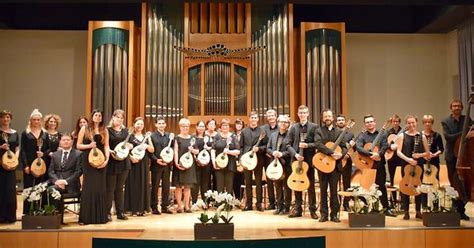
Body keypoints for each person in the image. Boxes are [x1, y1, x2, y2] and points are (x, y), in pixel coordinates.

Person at [355, 115, 396, 217]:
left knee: (381, 186)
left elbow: (384, 146)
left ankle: (386, 208)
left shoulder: (382, 134)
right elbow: (358, 147)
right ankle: (365, 207)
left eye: (371, 121)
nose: (369, 123)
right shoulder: (362, 135)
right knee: (365, 186)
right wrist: (370, 154)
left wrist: (379, 154)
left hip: (379, 164)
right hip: (366, 165)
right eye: (367, 122)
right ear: (365, 124)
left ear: (375, 122)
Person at [441, 99, 473, 220]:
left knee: (465, 185)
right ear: (451, 108)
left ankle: (461, 210)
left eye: (459, 106)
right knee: (455, 185)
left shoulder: (467, 119)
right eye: (454, 106)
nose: (457, 108)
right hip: (452, 157)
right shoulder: (446, 121)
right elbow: (448, 137)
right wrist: (464, 134)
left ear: (462, 108)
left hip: (465, 157)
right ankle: (455, 209)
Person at [285, 105, 319, 219]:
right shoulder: (293, 128)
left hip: (309, 161)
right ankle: (298, 209)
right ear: (298, 114)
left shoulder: (314, 127)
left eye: (305, 112)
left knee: (310, 186)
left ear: (308, 114)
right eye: (301, 113)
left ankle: (313, 210)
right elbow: (287, 144)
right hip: (296, 161)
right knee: (297, 184)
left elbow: (318, 143)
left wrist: (307, 145)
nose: (303, 114)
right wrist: (296, 154)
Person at [77, 109, 109, 224]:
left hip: (101, 160)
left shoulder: (104, 129)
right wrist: (89, 146)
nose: (98, 117)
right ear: (92, 116)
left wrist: (107, 159)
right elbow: (78, 145)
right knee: (89, 187)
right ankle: (86, 218)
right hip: (88, 160)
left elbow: (106, 146)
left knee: (100, 188)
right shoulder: (84, 129)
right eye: (96, 115)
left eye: (100, 115)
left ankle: (100, 217)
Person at [314, 109, 347, 222]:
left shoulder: (339, 132)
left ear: (333, 118)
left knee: (334, 191)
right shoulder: (318, 131)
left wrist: (341, 154)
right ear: (322, 119)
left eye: (329, 116)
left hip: (335, 165)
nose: (327, 118)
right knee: (323, 191)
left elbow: (344, 147)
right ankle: (324, 214)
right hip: (322, 164)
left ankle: (334, 214)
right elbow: (318, 144)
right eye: (325, 116)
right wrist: (331, 152)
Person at [396, 115, 429, 220]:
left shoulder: (422, 136)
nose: (411, 125)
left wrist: (419, 155)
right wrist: (409, 160)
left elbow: (428, 153)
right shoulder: (402, 136)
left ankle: (418, 211)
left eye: (413, 122)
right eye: (409, 123)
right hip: (406, 164)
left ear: (416, 123)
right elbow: (398, 152)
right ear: (406, 124)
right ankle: (406, 212)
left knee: (417, 187)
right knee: (405, 187)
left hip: (418, 165)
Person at [20, 109, 50, 215]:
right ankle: (28, 211)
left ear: (40, 121)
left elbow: (48, 149)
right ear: (31, 120)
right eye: (34, 119)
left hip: (42, 164)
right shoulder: (25, 133)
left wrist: (44, 154)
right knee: (29, 187)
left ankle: (40, 210)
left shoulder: (45, 133)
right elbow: (22, 150)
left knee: (40, 187)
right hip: (29, 164)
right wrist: (25, 165)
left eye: (38, 119)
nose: (36, 121)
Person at [47, 133, 82, 221]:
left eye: (68, 140)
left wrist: (65, 182)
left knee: (52, 189)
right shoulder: (55, 154)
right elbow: (51, 171)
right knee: (46, 189)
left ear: (72, 141)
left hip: (71, 185)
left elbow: (78, 172)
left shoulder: (78, 154)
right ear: (60, 142)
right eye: (63, 140)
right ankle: (54, 217)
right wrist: (57, 181)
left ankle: (56, 219)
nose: (66, 141)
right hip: (57, 183)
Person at [124, 117, 154, 216]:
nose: (139, 126)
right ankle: (132, 209)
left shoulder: (146, 136)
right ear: (134, 124)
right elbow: (125, 149)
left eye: (141, 124)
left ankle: (142, 208)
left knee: (143, 184)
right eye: (138, 124)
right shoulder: (130, 136)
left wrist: (147, 145)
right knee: (133, 185)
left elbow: (152, 150)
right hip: (133, 163)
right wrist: (131, 158)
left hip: (144, 163)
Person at [106, 109, 132, 220]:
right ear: (113, 117)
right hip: (112, 162)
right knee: (110, 188)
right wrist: (110, 151)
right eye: (118, 117)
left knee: (120, 188)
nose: (120, 119)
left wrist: (130, 146)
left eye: (122, 118)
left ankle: (120, 212)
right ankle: (107, 212)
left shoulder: (126, 131)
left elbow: (129, 144)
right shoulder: (107, 130)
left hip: (123, 162)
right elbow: (105, 145)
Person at [240, 111, 266, 212]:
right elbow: (241, 147)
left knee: (259, 182)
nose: (254, 119)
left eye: (255, 118)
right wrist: (241, 159)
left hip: (258, 159)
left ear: (257, 119)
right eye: (252, 118)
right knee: (248, 182)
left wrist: (259, 149)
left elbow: (266, 146)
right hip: (247, 160)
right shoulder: (244, 131)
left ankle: (259, 203)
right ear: (249, 119)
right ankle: (248, 204)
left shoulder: (262, 131)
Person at [266, 114, 291, 215]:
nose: (283, 124)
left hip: (286, 163)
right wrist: (273, 153)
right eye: (281, 122)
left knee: (286, 186)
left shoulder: (290, 135)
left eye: (285, 122)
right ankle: (279, 206)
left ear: (288, 124)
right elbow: (268, 148)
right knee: (277, 186)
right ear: (278, 123)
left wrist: (282, 154)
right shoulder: (273, 135)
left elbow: (292, 149)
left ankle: (286, 207)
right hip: (275, 164)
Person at [149, 116, 174, 214]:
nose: (161, 125)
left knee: (166, 186)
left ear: (166, 124)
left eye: (163, 123)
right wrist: (156, 160)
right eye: (159, 123)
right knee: (155, 186)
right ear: (156, 125)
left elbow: (171, 149)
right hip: (156, 165)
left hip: (167, 165)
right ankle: (154, 207)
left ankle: (165, 206)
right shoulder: (152, 136)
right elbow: (150, 152)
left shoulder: (169, 136)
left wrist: (169, 160)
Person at [174, 118, 198, 213]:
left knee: (188, 186)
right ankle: (180, 206)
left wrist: (192, 150)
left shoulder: (192, 138)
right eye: (183, 126)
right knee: (178, 186)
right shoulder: (177, 138)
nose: (185, 128)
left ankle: (187, 206)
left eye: (187, 126)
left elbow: (197, 151)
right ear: (180, 127)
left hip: (189, 164)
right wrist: (176, 163)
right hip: (179, 164)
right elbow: (175, 151)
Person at [0, 110, 19, 223]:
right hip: (0, 164)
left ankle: (10, 216)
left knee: (10, 190)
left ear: (10, 119)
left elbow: (17, 148)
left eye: (7, 117)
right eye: (3, 117)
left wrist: (15, 160)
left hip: (11, 163)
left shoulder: (15, 133)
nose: (5, 119)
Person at [211, 119, 240, 193]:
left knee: (229, 187)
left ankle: (228, 204)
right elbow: (213, 150)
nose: (225, 127)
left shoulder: (233, 137)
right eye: (223, 125)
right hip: (219, 164)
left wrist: (229, 152)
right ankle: (220, 203)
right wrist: (214, 161)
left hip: (230, 165)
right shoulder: (217, 136)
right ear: (220, 127)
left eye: (226, 125)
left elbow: (238, 151)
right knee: (219, 186)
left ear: (229, 127)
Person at [335, 114, 354, 211]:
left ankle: (346, 204)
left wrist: (352, 146)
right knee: (336, 182)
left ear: (345, 122)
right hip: (336, 160)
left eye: (342, 120)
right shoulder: (334, 133)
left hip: (347, 160)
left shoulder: (350, 134)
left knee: (347, 183)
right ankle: (337, 204)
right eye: (339, 120)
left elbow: (353, 148)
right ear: (336, 122)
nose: (341, 121)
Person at [260, 109, 278, 210]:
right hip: (266, 157)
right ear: (267, 117)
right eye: (269, 116)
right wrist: (268, 152)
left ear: (276, 116)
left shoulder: (281, 127)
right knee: (270, 181)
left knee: (280, 180)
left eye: (272, 115)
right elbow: (261, 143)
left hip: (279, 158)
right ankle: (272, 202)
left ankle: (281, 201)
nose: (271, 117)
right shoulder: (262, 129)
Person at [192, 120, 210, 203]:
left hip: (206, 164)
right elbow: (192, 150)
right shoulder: (193, 137)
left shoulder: (208, 137)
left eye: (203, 126)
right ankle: (194, 202)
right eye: (199, 126)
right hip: (196, 164)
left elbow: (212, 149)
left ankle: (205, 202)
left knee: (205, 183)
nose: (201, 128)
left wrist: (208, 148)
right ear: (196, 127)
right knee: (195, 183)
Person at [232, 118, 245, 200]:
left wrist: (241, 157)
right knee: (234, 180)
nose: (238, 126)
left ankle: (240, 198)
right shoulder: (232, 135)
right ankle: (236, 198)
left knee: (241, 179)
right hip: (233, 159)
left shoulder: (245, 134)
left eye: (240, 124)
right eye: (237, 124)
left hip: (242, 159)